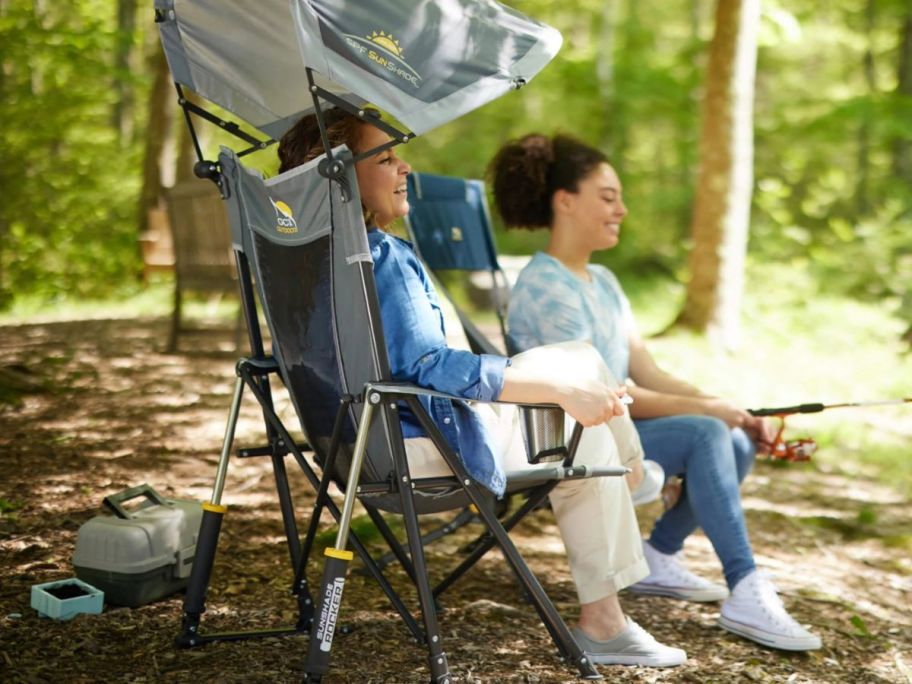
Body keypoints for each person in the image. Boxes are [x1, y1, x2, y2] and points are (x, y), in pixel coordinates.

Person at [277, 110, 686, 668]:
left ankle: (631, 472)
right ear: (341, 175)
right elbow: (429, 365)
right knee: (585, 440)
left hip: (352, 448)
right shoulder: (381, 258)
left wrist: (554, 381)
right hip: (420, 445)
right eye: (388, 157)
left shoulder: (305, 262)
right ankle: (605, 619)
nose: (405, 167)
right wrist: (557, 393)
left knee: (580, 359)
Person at [490, 133, 822, 652]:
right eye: (607, 196)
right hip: (574, 435)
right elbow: (600, 394)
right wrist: (710, 411)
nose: (621, 209)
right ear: (565, 201)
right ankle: (746, 587)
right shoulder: (545, 287)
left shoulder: (602, 280)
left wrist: (731, 410)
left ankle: (661, 555)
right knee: (708, 430)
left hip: (619, 424)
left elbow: (648, 372)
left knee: (730, 438)